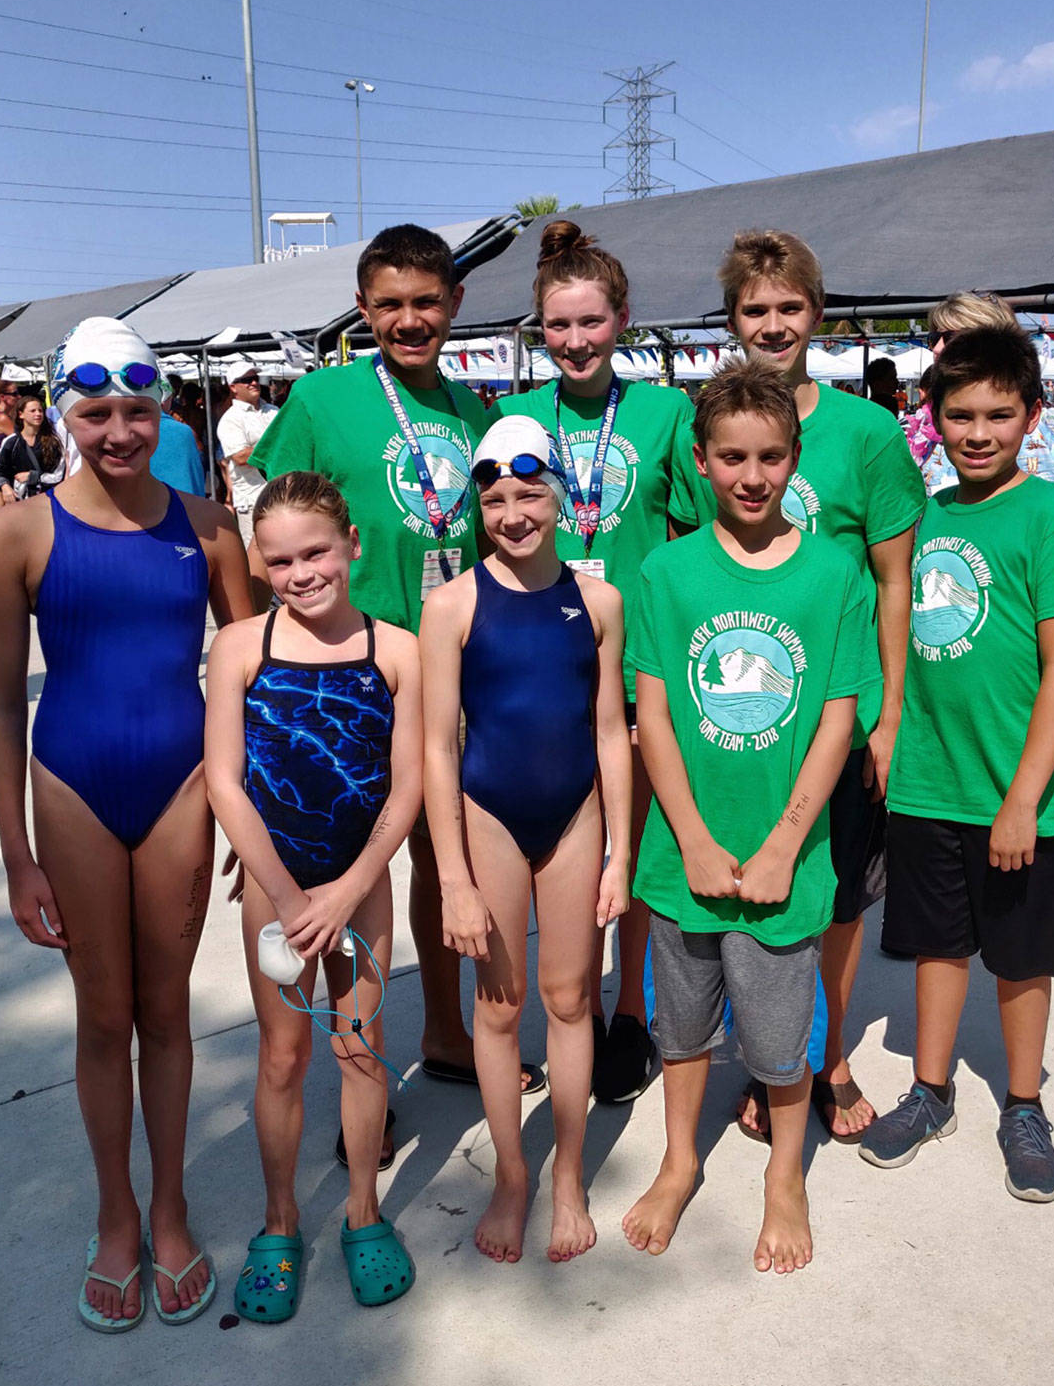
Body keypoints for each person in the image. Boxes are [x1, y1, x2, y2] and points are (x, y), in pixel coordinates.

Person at [0, 316, 253, 1332]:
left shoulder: (210, 525)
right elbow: (3, 703)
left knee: (168, 1013)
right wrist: (17, 857)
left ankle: (173, 1207)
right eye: (96, 413)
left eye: (137, 410)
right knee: (103, 1018)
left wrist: (250, 808)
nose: (120, 431)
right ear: (65, 416)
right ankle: (117, 1215)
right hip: (74, 784)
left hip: (181, 783)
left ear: (163, 411)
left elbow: (248, 669)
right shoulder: (20, 532)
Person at [250, 226, 550, 1128]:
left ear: (455, 304)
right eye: (389, 305)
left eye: (426, 301)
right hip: (352, 675)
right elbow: (272, 530)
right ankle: (359, 1082)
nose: (409, 320)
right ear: (363, 308)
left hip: (454, 670)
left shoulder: (472, 409)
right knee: (353, 867)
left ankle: (446, 1032)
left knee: (435, 856)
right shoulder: (321, 396)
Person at [621, 356, 878, 1269]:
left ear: (796, 458)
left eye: (771, 456)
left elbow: (840, 715)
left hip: (787, 862)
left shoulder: (834, 574)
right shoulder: (667, 571)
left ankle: (785, 1176)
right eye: (731, 456)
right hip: (684, 857)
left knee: (778, 1040)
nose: (752, 475)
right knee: (682, 1028)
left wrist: (782, 844)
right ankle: (680, 1159)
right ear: (700, 460)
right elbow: (652, 707)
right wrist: (690, 835)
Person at [862, 323, 1054, 1202]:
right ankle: (930, 1092)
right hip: (930, 783)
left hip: (1017, 797)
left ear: (1032, 416)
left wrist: (1023, 797)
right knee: (936, 946)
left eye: (998, 415)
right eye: (960, 414)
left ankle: (1024, 1102)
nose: (977, 432)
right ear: (934, 419)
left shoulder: (1050, 517)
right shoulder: (924, 516)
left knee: (1020, 956)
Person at [493, 221, 712, 1104]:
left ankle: (629, 1015)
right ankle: (560, 1007)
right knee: (554, 849)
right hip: (540, 673)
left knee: (633, 847)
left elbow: (698, 539)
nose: (576, 341)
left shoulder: (665, 412)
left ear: (622, 319)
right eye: (558, 325)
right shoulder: (515, 420)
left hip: (637, 671)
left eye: (591, 322)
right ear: (537, 329)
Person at [720, 231, 925, 1146]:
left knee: (836, 899)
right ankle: (768, 1056)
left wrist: (887, 712)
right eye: (754, 310)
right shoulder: (713, 422)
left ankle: (825, 1054)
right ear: (733, 320)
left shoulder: (867, 433)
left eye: (788, 307)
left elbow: (894, 582)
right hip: (742, 712)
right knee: (749, 894)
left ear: (818, 313)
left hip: (838, 712)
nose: (772, 325)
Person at [206, 471, 422, 1315]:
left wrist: (349, 890)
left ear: (353, 545)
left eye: (317, 551)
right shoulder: (240, 647)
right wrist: (292, 896)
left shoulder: (395, 649)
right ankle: (281, 1216)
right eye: (282, 558)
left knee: (362, 1049)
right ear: (260, 566)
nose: (303, 572)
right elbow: (227, 782)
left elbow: (406, 786)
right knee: (284, 1054)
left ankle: (364, 1210)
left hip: (360, 882)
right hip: (278, 882)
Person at [421, 415, 630, 1263]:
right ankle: (513, 1172)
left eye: (529, 492)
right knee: (499, 1007)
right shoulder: (452, 604)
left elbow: (611, 732)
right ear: (478, 506)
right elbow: (437, 746)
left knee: (572, 998)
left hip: (576, 811)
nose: (513, 512)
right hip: (490, 813)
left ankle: (569, 1172)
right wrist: (455, 880)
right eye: (496, 497)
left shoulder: (601, 600)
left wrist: (620, 853)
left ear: (562, 497)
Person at [917, 294, 1054, 493]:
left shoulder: (1018, 435)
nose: (937, 348)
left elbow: (1041, 510)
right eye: (934, 338)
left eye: (951, 338)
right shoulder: (942, 422)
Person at [216, 360, 278, 546]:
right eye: (247, 379)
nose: (254, 383)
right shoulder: (231, 419)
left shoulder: (273, 411)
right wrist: (276, 448)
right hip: (252, 500)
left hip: (280, 494)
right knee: (257, 553)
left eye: (255, 378)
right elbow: (241, 457)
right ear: (233, 387)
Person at [0, 395, 64, 503]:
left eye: (40, 410)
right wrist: (5, 486)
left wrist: (33, 476)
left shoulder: (53, 442)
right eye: (33, 411)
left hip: (46, 500)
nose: (38, 414)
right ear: (21, 415)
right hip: (19, 502)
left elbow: (58, 475)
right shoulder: (11, 442)